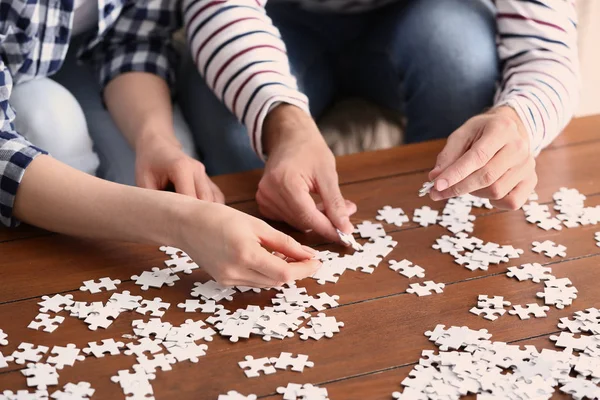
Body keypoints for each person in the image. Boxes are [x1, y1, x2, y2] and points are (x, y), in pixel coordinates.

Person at [179, 0, 579, 242]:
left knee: (458, 56)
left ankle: (436, 237)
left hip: (423, 21)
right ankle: (263, 245)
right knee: (226, 113)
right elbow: (215, 8)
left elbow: (546, 49)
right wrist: (282, 122)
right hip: (275, 20)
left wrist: (519, 120)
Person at [0, 0, 320, 287]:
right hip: (20, 78)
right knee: (50, 122)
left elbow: (133, 39)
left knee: (165, 170)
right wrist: (179, 222)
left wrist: (157, 141)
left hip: (83, 54)